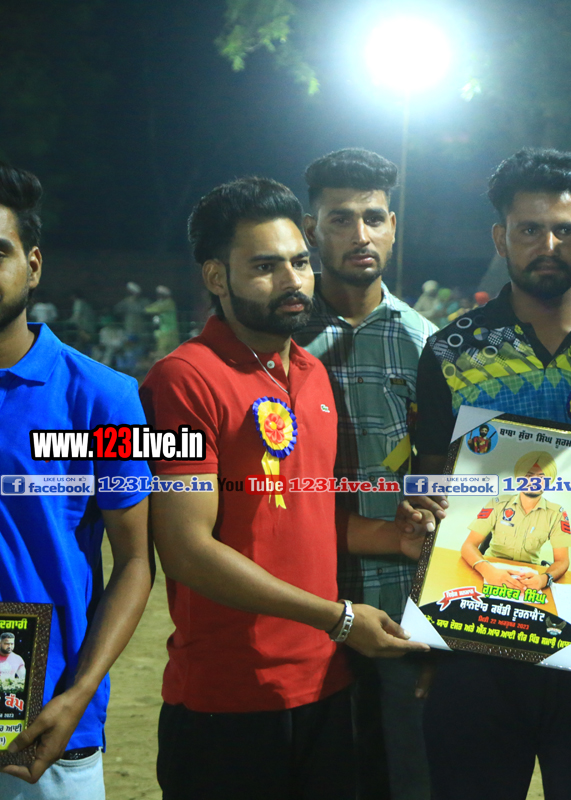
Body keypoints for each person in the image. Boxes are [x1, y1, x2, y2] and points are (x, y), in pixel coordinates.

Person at [140, 177, 433, 800]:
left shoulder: (311, 374)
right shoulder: (182, 379)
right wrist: (339, 618)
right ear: (217, 277)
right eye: (265, 267)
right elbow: (187, 550)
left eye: (300, 262)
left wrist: (392, 536)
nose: (293, 280)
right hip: (227, 699)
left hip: (325, 686)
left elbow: (305, 512)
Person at [414, 148, 571, 800]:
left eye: (563, 230)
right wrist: (429, 635)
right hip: (472, 631)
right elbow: (432, 485)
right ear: (501, 238)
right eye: (529, 230)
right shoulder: (451, 351)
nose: (548, 245)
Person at [0, 162, 154, 798]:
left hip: (38, 720)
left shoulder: (103, 397)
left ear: (32, 265)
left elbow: (135, 562)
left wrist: (78, 695)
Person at [294, 147, 440, 800]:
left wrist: (440, 627)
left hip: (401, 615)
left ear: (393, 226)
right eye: (341, 219)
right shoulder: (279, 342)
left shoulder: (428, 346)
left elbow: (446, 486)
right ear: (311, 229)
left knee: (409, 781)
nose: (360, 234)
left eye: (374, 218)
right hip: (304, 606)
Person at [462, 452, 570, 593]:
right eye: (529, 475)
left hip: (528, 577)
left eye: (541, 477)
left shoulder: (557, 514)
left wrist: (544, 579)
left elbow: (562, 561)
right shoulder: (497, 504)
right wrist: (487, 570)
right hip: (492, 570)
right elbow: (468, 545)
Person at [144, 284, 179, 359]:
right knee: (162, 349)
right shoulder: (161, 302)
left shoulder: (169, 302)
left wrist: (147, 309)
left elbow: (154, 309)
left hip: (170, 330)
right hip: (163, 330)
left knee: (170, 349)